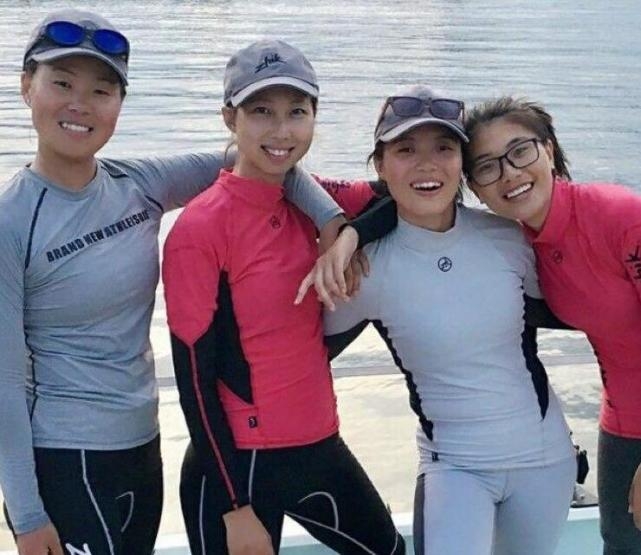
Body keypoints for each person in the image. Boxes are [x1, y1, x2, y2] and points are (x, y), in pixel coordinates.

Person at [0, 10, 348, 555]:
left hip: (143, 446)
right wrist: (25, 515)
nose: (80, 104)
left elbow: (265, 157)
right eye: (62, 84)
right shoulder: (12, 221)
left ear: (119, 104)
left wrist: (333, 224)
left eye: (101, 91)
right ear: (27, 88)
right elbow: (2, 380)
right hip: (64, 457)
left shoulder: (137, 183)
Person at [300, 85, 576, 555]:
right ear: (381, 165)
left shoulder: (509, 238)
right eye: (406, 150)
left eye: (444, 149)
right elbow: (298, 355)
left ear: (462, 164)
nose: (427, 165)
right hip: (454, 467)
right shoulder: (365, 269)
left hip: (547, 461)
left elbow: (585, 307)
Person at [162, 39, 405, 555]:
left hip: (318, 444)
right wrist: (235, 508)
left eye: (297, 111)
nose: (281, 131)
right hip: (237, 466)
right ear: (230, 118)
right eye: (261, 112)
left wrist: (349, 236)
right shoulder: (200, 228)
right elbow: (193, 378)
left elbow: (397, 198)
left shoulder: (314, 201)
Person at [463, 96, 641, 554]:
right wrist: (347, 233)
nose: (509, 174)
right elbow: (404, 197)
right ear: (475, 188)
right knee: (622, 544)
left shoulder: (620, 215)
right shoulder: (515, 242)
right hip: (622, 420)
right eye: (487, 167)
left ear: (549, 150)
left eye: (520, 151)